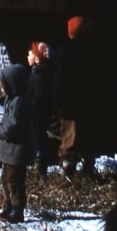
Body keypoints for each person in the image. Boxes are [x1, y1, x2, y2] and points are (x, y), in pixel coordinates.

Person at [54, 16, 101, 181]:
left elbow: (59, 80)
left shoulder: (64, 51)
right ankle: (88, 168)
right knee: (87, 137)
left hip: (69, 106)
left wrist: (58, 102)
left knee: (69, 139)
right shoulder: (93, 51)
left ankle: (68, 171)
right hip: (87, 103)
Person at [0, 52, 34, 223]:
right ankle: (8, 205)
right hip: (9, 151)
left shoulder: (19, 103)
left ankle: (17, 210)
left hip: (16, 151)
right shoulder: (12, 100)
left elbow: (13, 127)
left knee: (14, 181)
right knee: (6, 178)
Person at [26, 41, 56, 176]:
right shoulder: (41, 73)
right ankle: (40, 164)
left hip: (37, 113)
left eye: (30, 54)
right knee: (39, 138)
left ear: (37, 58)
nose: (27, 57)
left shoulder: (39, 75)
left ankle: (40, 165)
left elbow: (37, 97)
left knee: (39, 139)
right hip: (40, 112)